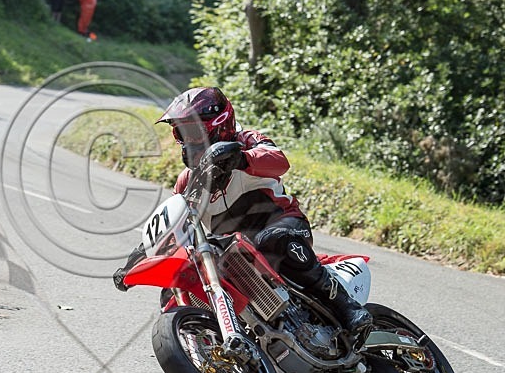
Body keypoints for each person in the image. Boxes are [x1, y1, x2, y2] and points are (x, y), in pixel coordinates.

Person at [113, 86, 373, 341]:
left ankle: (346, 307)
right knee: (179, 284)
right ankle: (211, 347)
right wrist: (137, 260)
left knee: (272, 240)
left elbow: (279, 161)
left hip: (284, 225)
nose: (189, 141)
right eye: (182, 133)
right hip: (235, 252)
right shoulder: (187, 181)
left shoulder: (245, 141)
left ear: (218, 124)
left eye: (194, 131)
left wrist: (242, 160)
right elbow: (171, 224)